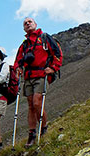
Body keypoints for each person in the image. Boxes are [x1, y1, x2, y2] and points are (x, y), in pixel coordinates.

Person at [14, 17, 63, 147]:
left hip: (41, 75)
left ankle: (44, 127)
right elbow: (18, 61)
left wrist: (53, 68)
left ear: (35, 24)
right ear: (24, 28)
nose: (27, 24)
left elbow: (57, 53)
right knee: (30, 105)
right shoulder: (24, 45)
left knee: (37, 102)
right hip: (28, 77)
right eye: (25, 23)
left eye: (30, 22)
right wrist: (18, 68)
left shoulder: (45, 38)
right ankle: (32, 134)